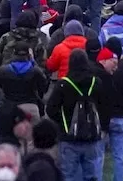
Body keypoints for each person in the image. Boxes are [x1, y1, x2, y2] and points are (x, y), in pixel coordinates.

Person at [46, 50, 104, 181]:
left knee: (68, 175)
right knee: (92, 175)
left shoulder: (63, 84)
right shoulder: (96, 82)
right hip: (91, 136)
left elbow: (51, 109)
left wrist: (63, 122)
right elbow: (104, 105)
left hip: (68, 137)